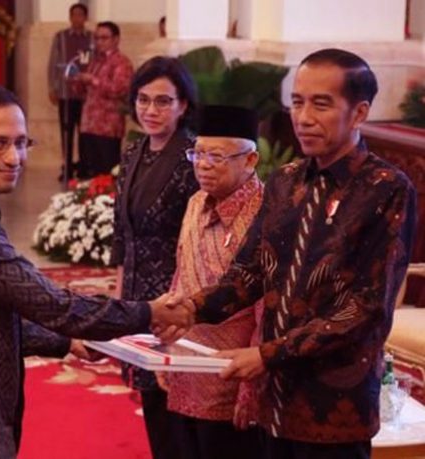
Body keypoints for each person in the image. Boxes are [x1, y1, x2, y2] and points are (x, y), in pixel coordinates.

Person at [0, 85, 193, 459]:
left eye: (21, 143)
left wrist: (66, 343)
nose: (13, 158)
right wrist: (149, 313)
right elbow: (54, 305)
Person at [158, 48, 417, 459]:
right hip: (272, 400)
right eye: (297, 102)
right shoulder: (286, 181)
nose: (303, 117)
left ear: (360, 112)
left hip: (332, 408)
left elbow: (364, 308)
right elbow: (250, 273)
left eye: (321, 104)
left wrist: (267, 354)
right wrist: (189, 309)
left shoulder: (385, 188)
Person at [162, 105, 264, 459]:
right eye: (198, 154)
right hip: (185, 363)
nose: (202, 165)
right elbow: (181, 273)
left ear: (250, 160)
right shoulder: (195, 202)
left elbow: (266, 307)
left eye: (216, 156)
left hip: (230, 375)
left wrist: (251, 387)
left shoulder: (266, 212)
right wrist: (167, 352)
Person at [110, 56, 199, 459]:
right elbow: (121, 230)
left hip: (175, 301)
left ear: (183, 105)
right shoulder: (134, 152)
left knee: (175, 407)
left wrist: (185, 306)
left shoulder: (194, 157)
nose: (150, 110)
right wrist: (119, 297)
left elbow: (198, 239)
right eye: (143, 99)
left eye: (163, 101)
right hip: (137, 298)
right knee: (153, 404)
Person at [76, 21, 133, 179]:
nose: (99, 42)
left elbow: (120, 89)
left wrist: (93, 80)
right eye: (97, 38)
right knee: (89, 172)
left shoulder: (122, 62)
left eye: (104, 38)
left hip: (108, 126)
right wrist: (79, 81)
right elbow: (85, 92)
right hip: (89, 124)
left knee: (106, 172)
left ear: (116, 39)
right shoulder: (95, 61)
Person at [47, 3, 93, 182]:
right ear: (70, 17)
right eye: (74, 15)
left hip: (87, 95)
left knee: (85, 133)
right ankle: (66, 166)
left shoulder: (91, 38)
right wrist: (53, 87)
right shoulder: (61, 37)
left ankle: (83, 166)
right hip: (66, 94)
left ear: (85, 17)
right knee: (66, 131)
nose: (77, 18)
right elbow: (53, 63)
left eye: (80, 15)